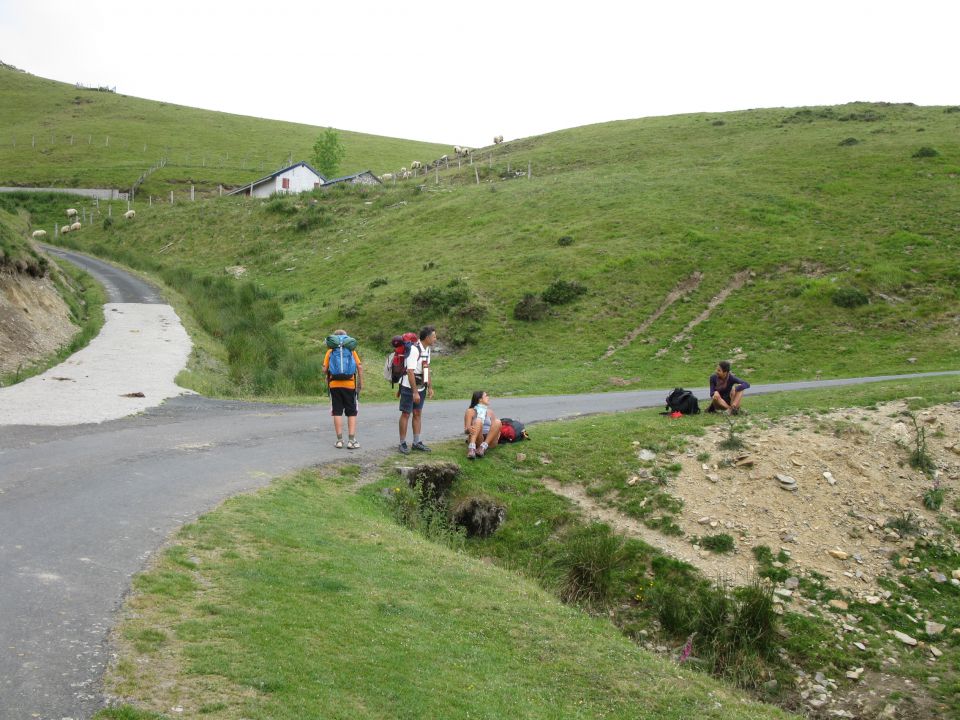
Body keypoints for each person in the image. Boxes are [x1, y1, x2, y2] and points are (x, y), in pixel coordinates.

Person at [398, 325, 436, 454]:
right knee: (406, 414)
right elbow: (410, 372)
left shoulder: (427, 350)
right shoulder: (414, 350)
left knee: (418, 413)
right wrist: (414, 392)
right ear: (427, 337)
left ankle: (416, 442)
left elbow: (426, 368)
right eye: (434, 337)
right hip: (409, 386)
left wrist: (429, 386)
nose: (435, 339)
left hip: (421, 386)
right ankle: (402, 443)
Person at [323, 329, 363, 449]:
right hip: (349, 385)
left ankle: (339, 441)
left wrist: (328, 375)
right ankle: (351, 441)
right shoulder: (351, 350)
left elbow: (324, 369)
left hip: (334, 385)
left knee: (337, 411)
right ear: (346, 338)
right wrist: (361, 382)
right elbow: (359, 367)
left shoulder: (330, 351)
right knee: (351, 412)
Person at [464, 390, 502, 459]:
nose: (488, 397)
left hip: (489, 441)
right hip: (477, 438)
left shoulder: (490, 412)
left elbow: (495, 428)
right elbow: (466, 430)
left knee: (498, 422)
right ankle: (472, 448)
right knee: (478, 420)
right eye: (486, 396)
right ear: (480, 399)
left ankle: (482, 448)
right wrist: (469, 429)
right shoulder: (470, 411)